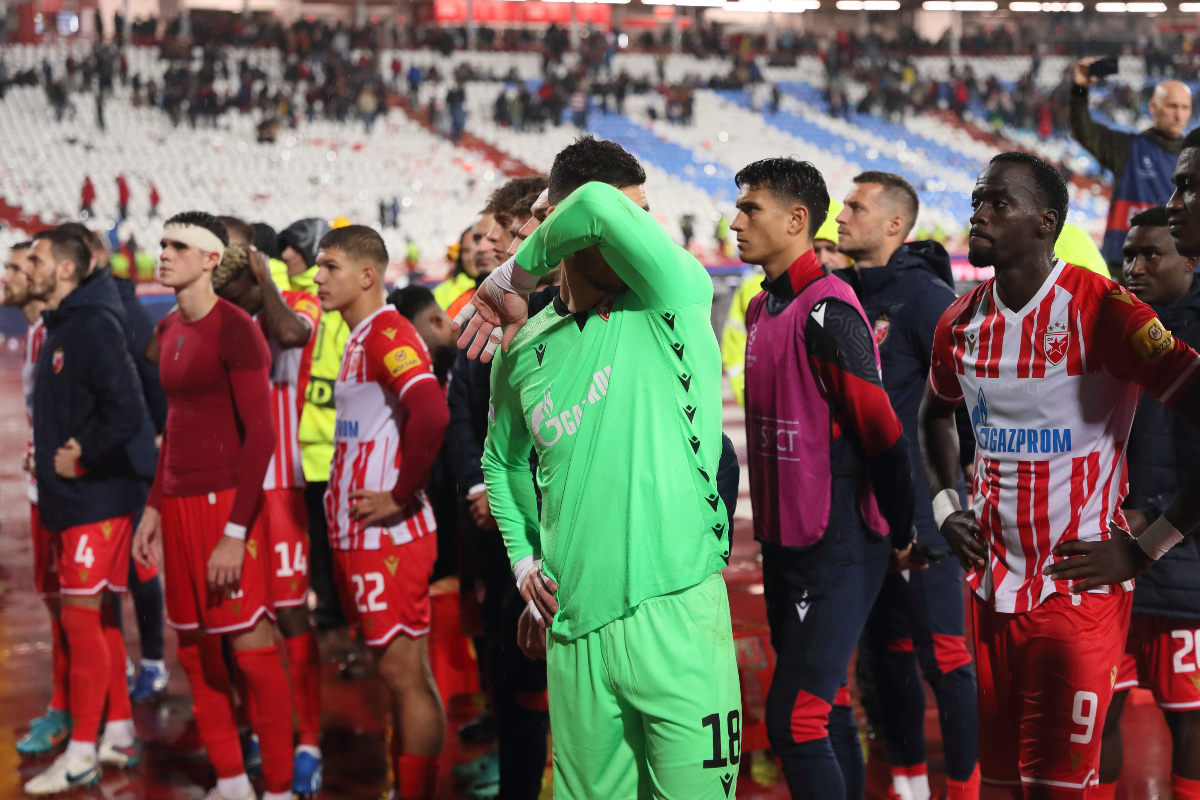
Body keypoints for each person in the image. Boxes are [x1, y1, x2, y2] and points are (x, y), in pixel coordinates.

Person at [462, 135, 741, 800]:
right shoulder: (523, 348)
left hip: (677, 616)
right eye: (628, 216)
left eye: (641, 216)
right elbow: (500, 463)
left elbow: (593, 204)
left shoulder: (672, 290)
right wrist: (526, 563)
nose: (635, 232)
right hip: (574, 632)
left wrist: (516, 272)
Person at [920, 152, 1200, 798]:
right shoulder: (959, 322)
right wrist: (944, 505)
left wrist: (1146, 547)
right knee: (997, 787)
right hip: (990, 588)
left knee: (1055, 790)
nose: (978, 213)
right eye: (976, 200)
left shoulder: (1104, 309)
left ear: (1045, 222)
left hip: (1076, 594)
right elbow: (934, 413)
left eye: (997, 203)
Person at [733, 157, 916, 800]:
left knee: (796, 720)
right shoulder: (761, 308)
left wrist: (902, 527)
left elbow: (882, 432)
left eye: (749, 209)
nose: (735, 222)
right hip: (787, 544)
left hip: (837, 543)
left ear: (796, 219)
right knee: (829, 703)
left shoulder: (829, 312)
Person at [132, 211, 293, 800]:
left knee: (251, 651)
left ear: (208, 260)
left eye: (179, 245)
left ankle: (276, 786)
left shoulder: (235, 329)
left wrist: (234, 529)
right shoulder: (170, 327)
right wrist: (153, 507)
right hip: (176, 507)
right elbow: (174, 427)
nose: (164, 252)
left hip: (226, 506)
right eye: (163, 242)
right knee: (196, 653)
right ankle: (229, 780)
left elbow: (263, 437)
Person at [833, 172, 980, 800]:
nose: (841, 216)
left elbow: (970, 401)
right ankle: (910, 785)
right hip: (864, 516)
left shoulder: (924, 298)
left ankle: (966, 791)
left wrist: (946, 497)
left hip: (925, 515)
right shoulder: (843, 295)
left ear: (895, 224)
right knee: (886, 655)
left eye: (856, 208)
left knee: (946, 660)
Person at [313, 225, 449, 800]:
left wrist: (399, 492)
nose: (318, 277)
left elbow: (432, 413)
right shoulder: (357, 335)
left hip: (387, 538)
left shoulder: (386, 331)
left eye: (330, 266)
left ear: (367, 276)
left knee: (403, 676)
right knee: (394, 676)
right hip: (359, 536)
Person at [23, 226, 152, 793]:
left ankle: (81, 753)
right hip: (81, 498)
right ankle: (119, 733)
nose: (28, 268)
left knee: (80, 618)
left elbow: (127, 408)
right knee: (98, 616)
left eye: (37, 259)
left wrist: (83, 455)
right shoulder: (66, 324)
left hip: (96, 498)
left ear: (68, 270)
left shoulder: (93, 325)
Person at [212, 239, 326, 798]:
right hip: (231, 489)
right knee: (236, 616)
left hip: (282, 483)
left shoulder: (298, 303)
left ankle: (309, 742)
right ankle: (262, 729)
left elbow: (290, 335)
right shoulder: (220, 319)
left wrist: (266, 284)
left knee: (289, 613)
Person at [1095, 205, 1200, 800]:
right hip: (1112, 557)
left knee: (1187, 713)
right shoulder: (1111, 330)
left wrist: (1153, 512)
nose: (1133, 267)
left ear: (1190, 257)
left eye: (1149, 255)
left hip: (1180, 557)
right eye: (1127, 255)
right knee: (1100, 713)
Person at [278, 217, 356, 658]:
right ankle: (332, 611)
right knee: (320, 545)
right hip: (308, 447)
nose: (285, 254)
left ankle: (343, 619)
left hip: (330, 448)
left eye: (293, 247)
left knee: (332, 544)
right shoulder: (304, 296)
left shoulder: (317, 300)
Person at [5, 241, 71, 758]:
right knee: (58, 605)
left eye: (19, 266)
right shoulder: (33, 334)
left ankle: (89, 719)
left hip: (68, 489)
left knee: (77, 607)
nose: (8, 275)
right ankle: (69, 707)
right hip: (40, 484)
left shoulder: (60, 332)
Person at [721, 198, 845, 406]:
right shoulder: (755, 289)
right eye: (816, 249)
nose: (823, 258)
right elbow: (735, 349)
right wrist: (757, 403)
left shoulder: (855, 293)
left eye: (832, 249)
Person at [1071, 60, 1191, 274]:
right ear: (1153, 107)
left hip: (1173, 270)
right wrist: (1080, 90)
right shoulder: (1126, 147)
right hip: (1125, 266)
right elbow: (1083, 129)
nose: (1178, 115)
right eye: (1172, 106)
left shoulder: (1194, 158)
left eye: (1184, 108)